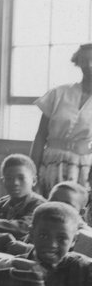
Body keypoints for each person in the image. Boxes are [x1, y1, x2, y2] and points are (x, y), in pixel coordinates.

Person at [31, 42, 92, 195]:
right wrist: (32, 171)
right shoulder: (58, 94)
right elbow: (40, 136)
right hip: (50, 164)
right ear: (78, 62)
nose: (89, 65)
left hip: (83, 168)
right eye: (84, 60)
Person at [0, 154, 47, 238]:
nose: (15, 183)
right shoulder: (0, 205)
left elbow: (23, 228)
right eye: (9, 178)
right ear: (2, 181)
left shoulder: (41, 206)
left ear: (34, 181)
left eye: (21, 178)